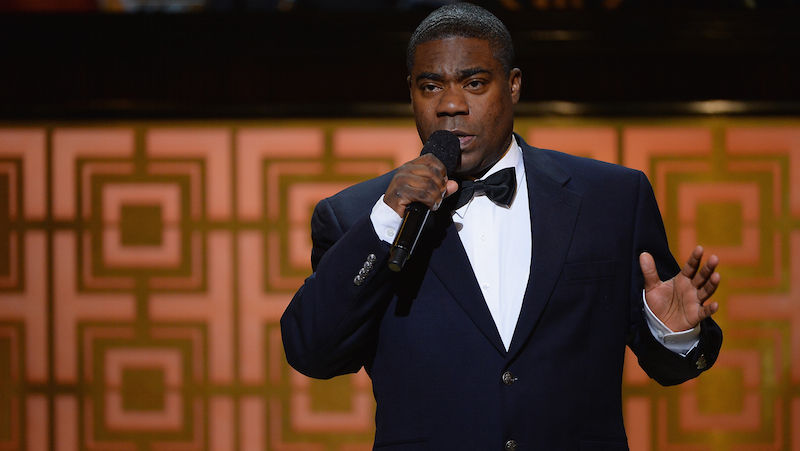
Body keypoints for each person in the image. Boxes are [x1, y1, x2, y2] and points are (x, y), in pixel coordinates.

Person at [281, 3, 722, 450]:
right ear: (410, 92)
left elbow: (671, 367)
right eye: (431, 86)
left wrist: (673, 333)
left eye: (474, 83)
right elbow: (313, 353)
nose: (451, 105)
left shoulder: (612, 199)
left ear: (513, 86)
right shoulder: (356, 216)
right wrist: (385, 220)